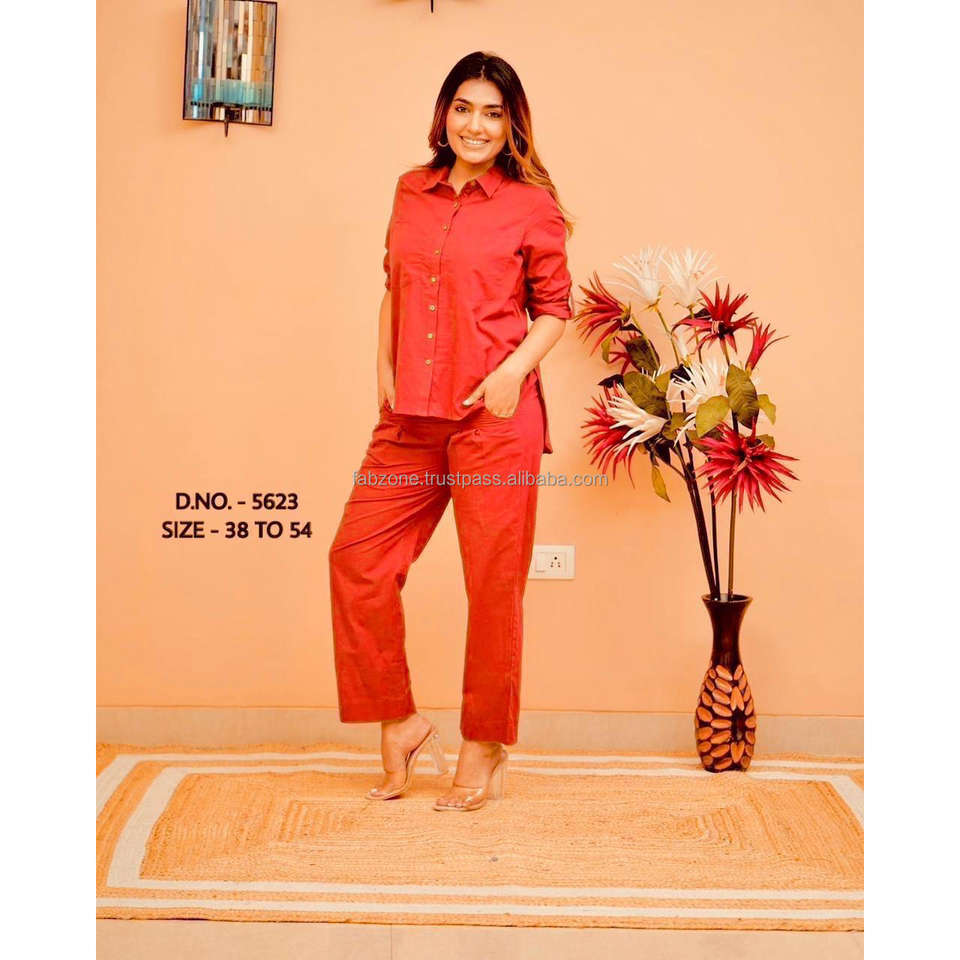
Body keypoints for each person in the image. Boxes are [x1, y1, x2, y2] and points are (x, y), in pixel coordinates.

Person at [328, 51, 574, 813]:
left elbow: (554, 309)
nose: (476, 125)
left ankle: (485, 741)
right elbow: (393, 286)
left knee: (493, 588)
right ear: (444, 114)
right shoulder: (411, 190)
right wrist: (383, 370)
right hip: (409, 416)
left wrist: (511, 375)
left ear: (511, 125)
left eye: (492, 113)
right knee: (356, 561)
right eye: (464, 108)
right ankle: (400, 722)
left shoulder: (532, 205)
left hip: (493, 419)